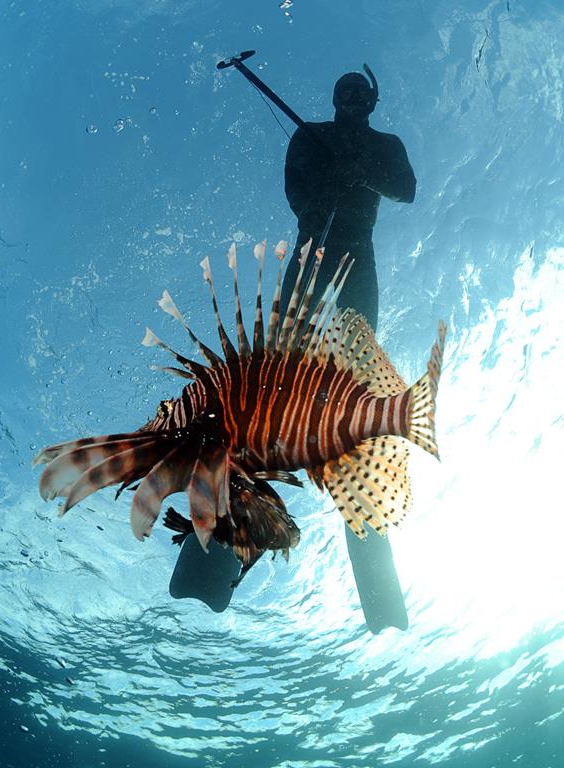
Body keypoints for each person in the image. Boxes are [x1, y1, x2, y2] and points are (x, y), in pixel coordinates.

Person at [282, 67, 417, 633]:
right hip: (313, 252)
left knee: (360, 375)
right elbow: (294, 195)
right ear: (333, 99)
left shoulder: (387, 146)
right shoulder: (308, 135)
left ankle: (363, 488)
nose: (351, 100)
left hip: (359, 258)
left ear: (373, 99)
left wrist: (361, 170)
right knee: (279, 365)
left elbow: (406, 189)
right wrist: (330, 184)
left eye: (359, 93)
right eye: (342, 92)